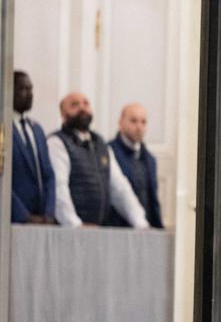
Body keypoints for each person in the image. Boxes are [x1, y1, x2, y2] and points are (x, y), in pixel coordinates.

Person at [47, 92, 150, 229]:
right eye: (74, 105)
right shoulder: (56, 143)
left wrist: (141, 223)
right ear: (63, 114)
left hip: (98, 230)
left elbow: (120, 189)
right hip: (70, 231)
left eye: (86, 103)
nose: (82, 108)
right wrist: (75, 225)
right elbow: (59, 189)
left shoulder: (100, 144)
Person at [10, 71, 56, 224]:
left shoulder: (36, 129)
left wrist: (49, 213)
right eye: (23, 89)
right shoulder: (4, 128)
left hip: (41, 219)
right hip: (12, 219)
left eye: (31, 89)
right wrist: (23, 216)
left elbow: (49, 175)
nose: (30, 95)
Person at [108, 103, 163, 228]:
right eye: (133, 121)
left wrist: (158, 227)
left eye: (143, 122)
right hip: (117, 228)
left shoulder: (149, 159)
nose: (139, 127)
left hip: (144, 228)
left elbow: (153, 200)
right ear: (121, 123)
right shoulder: (108, 153)